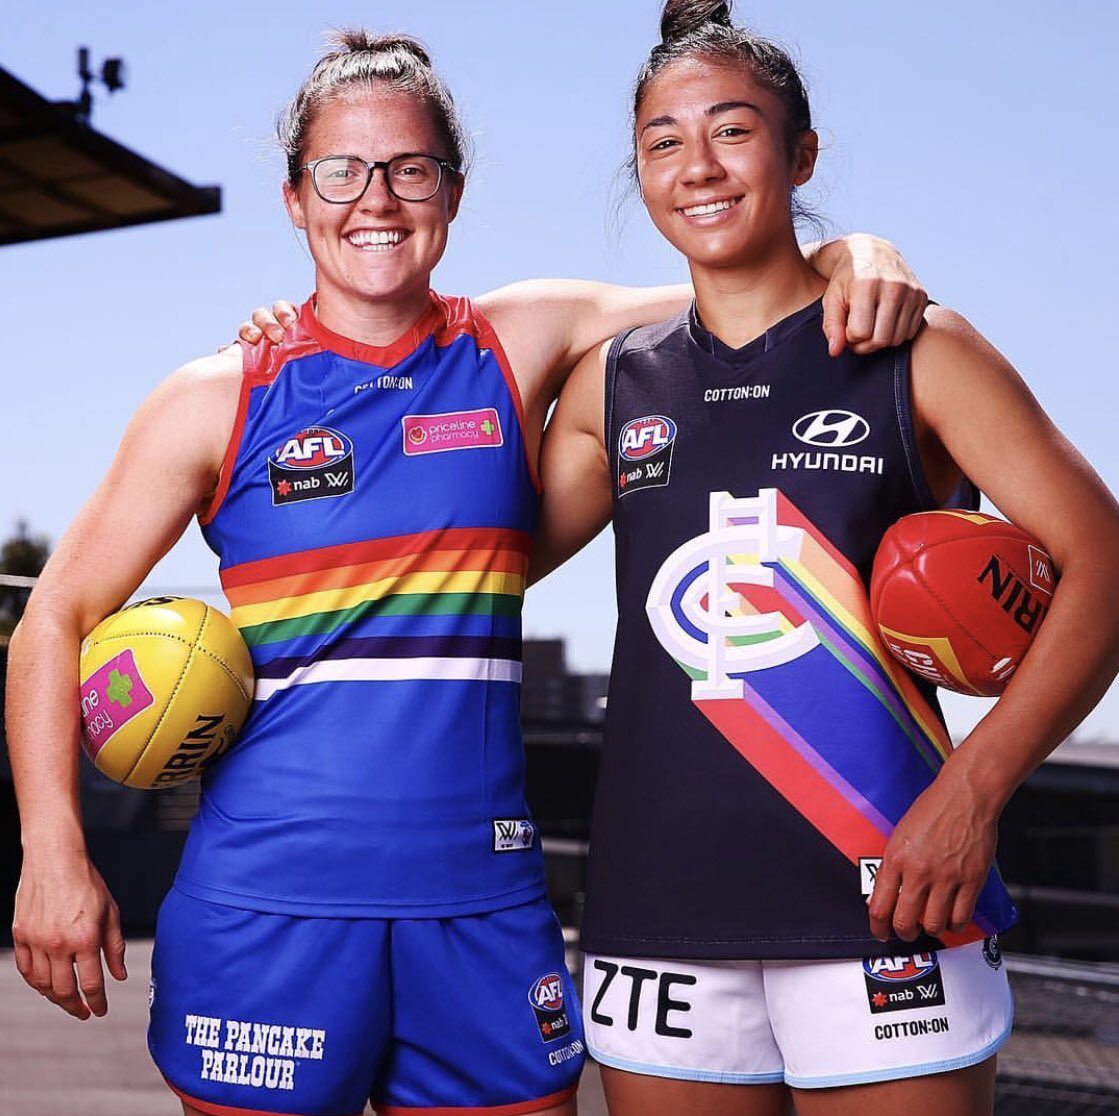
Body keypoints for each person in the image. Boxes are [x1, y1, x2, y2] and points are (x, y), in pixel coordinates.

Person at [6, 27, 928, 1116]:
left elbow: (745, 283)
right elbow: (52, 615)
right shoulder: (215, 397)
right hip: (266, 904)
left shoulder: (519, 337)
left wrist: (864, 252)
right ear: (296, 198)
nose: (376, 200)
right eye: (340, 172)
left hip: (483, 907)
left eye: (410, 169)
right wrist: (51, 852)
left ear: (452, 187)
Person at [524, 3, 1119, 1116]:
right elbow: (472, 563)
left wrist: (974, 792)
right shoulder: (612, 384)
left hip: (895, 891)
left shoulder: (915, 348)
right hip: (664, 906)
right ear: (637, 172)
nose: (696, 165)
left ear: (800, 155)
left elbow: (1104, 559)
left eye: (732, 131)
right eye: (663, 142)